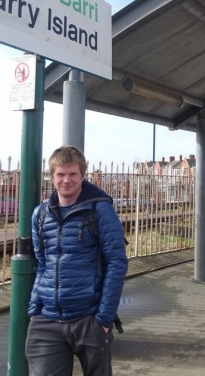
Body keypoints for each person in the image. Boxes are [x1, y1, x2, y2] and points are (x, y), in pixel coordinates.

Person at [25, 146, 128, 376]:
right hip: (47, 319)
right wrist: (35, 310)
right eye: (60, 174)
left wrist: (103, 318)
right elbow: (42, 263)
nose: (66, 180)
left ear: (82, 175)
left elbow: (117, 262)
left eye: (72, 174)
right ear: (52, 177)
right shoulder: (40, 214)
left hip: (89, 318)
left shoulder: (100, 209)